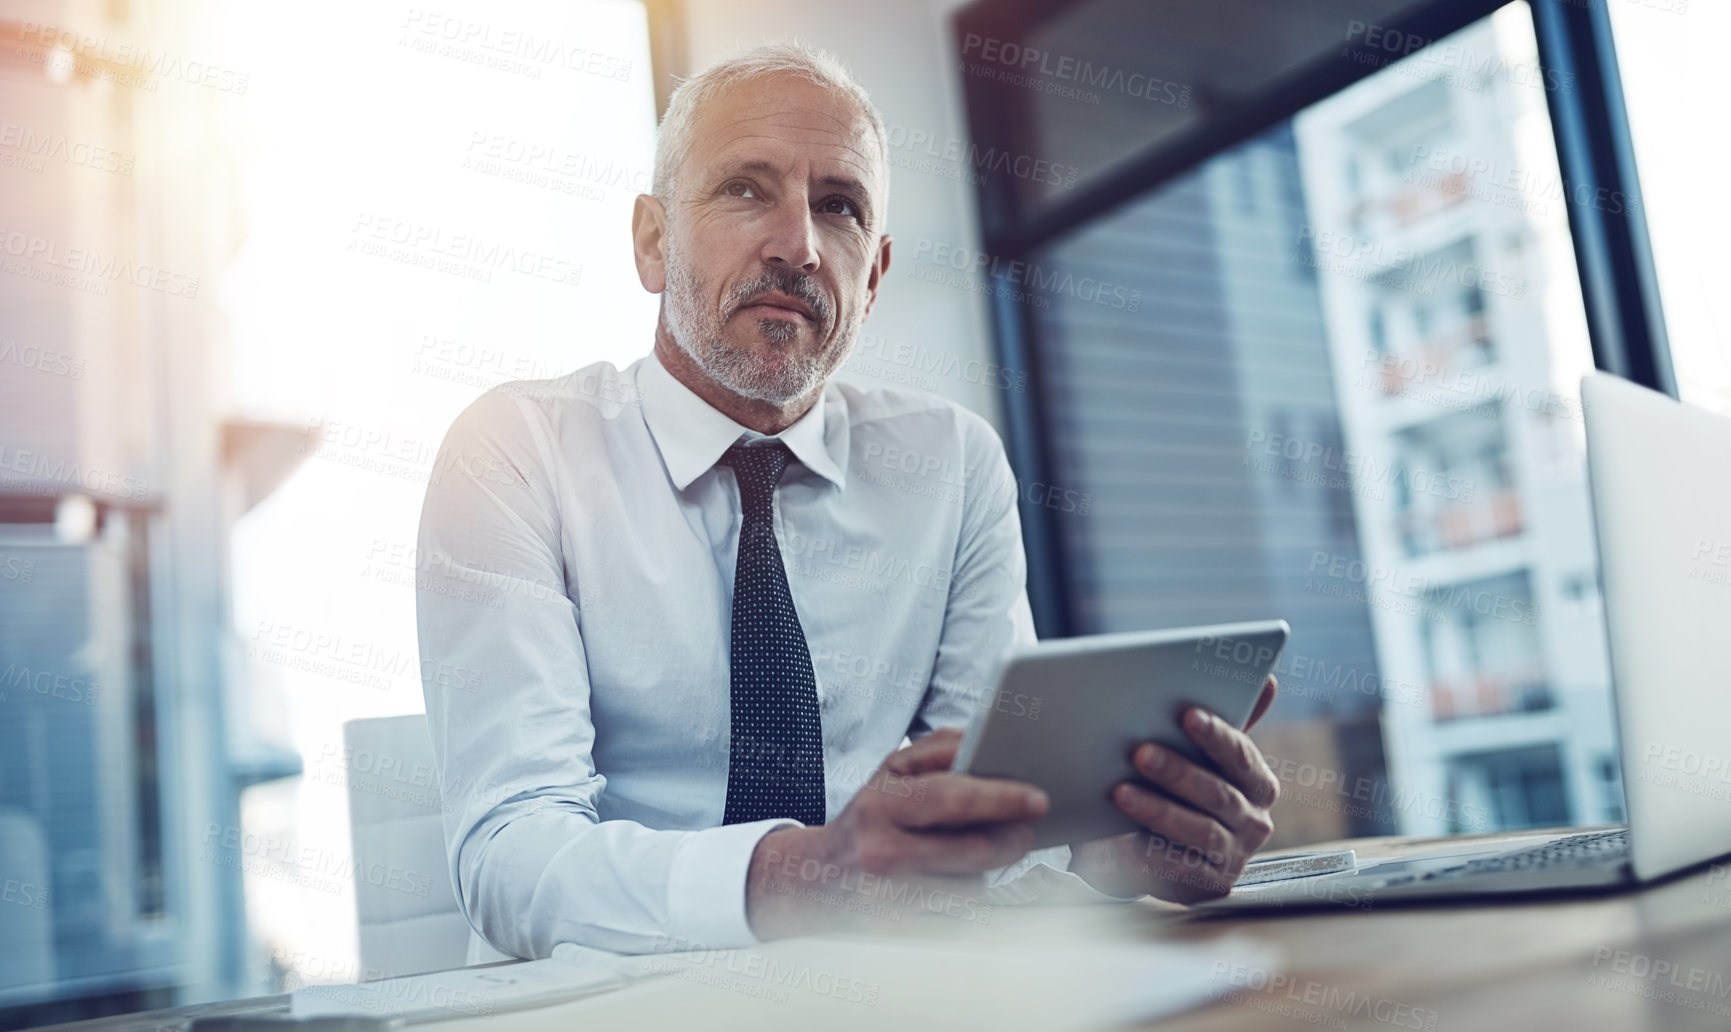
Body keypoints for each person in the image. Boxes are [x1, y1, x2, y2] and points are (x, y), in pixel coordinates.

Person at [415, 42, 1279, 959]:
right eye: (745, 189)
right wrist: (807, 876)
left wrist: (1103, 866)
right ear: (653, 239)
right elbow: (511, 856)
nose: (797, 246)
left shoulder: (951, 464)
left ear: (872, 275)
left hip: (887, 1009)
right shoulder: (514, 449)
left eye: (839, 207)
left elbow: (978, 835)